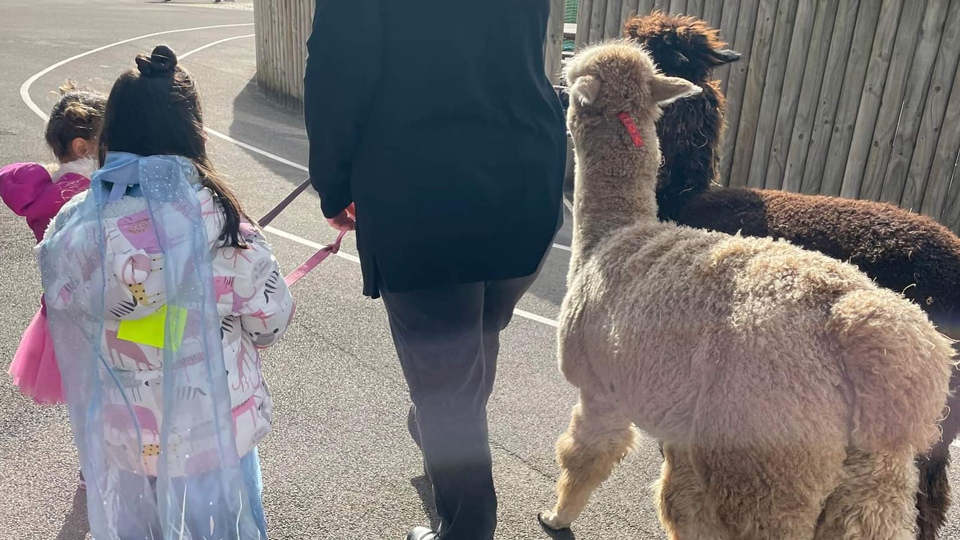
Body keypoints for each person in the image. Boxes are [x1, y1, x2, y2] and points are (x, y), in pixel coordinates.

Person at [303, 2, 566, 539]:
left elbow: (336, 67)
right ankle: (441, 429)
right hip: (527, 179)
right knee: (475, 336)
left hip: (425, 190)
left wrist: (334, 183)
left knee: (447, 382)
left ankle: (466, 522)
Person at [38, 45, 293, 539]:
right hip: (217, 439)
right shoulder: (220, 221)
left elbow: (67, 311)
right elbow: (270, 321)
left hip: (127, 440)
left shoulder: (74, 225)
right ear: (191, 131)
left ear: (110, 130)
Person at [1, 82, 105, 407]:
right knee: (108, 396)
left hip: (61, 310)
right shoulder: (87, 191)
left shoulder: (53, 188)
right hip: (97, 310)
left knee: (87, 401)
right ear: (83, 147)